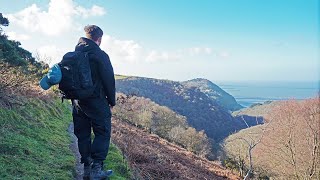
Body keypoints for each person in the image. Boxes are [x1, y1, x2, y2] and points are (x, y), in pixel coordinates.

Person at [72, 25, 116, 179]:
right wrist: (111, 101)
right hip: (96, 101)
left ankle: (86, 169)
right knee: (102, 132)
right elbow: (109, 80)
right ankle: (96, 169)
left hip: (78, 102)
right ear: (99, 38)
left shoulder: (74, 54)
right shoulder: (100, 55)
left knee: (83, 134)